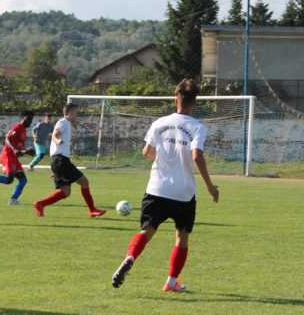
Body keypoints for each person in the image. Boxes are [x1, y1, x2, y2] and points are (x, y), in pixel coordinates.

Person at [111, 78, 219, 292]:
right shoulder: (197, 127)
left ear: (174, 100)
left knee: (147, 230)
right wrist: (210, 185)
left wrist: (165, 160)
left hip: (156, 189)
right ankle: (171, 282)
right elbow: (197, 156)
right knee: (182, 236)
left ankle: (130, 257)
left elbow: (146, 152)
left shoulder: (159, 123)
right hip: (183, 193)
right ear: (194, 103)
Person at [32, 103, 107, 217]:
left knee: (66, 192)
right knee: (84, 182)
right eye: (76, 113)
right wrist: (58, 140)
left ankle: (40, 204)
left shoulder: (66, 123)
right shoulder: (63, 122)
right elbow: (55, 134)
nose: (77, 115)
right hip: (61, 160)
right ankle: (92, 210)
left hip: (57, 161)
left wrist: (56, 170)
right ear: (70, 112)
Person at [0, 110, 34, 205]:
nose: (30, 121)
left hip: (13, 157)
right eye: (28, 119)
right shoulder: (18, 127)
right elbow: (7, 138)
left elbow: (18, 152)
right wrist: (14, 149)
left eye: (31, 119)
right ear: (22, 117)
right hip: (7, 155)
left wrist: (26, 152)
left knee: (23, 179)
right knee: (9, 179)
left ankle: (13, 199)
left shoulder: (24, 131)